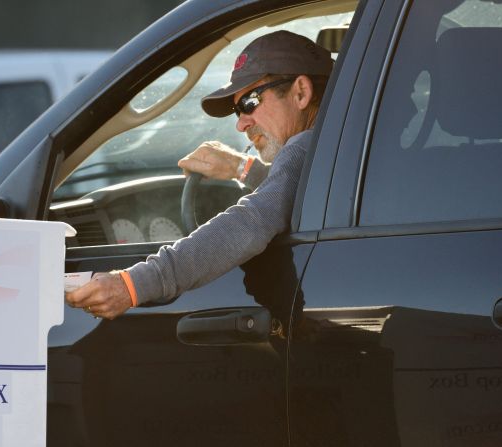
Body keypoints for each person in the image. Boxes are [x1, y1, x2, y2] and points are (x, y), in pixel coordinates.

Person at [65, 30, 333, 319]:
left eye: (250, 103)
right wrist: (241, 168)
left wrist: (133, 284)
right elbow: (298, 187)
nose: (241, 125)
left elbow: (251, 222)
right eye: (237, 111)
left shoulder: (305, 146)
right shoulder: (335, 146)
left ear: (301, 92)